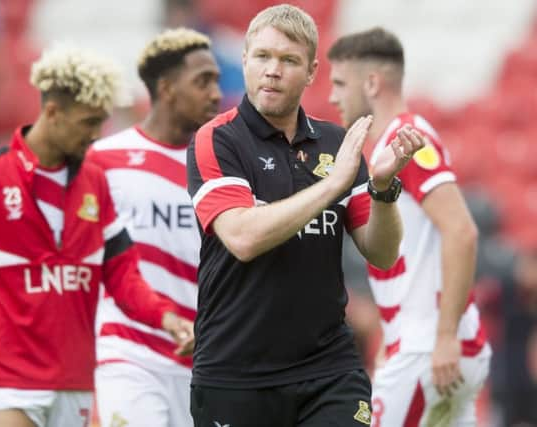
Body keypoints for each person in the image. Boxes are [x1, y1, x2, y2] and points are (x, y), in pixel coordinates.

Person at [186, 5, 425, 427]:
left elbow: (383, 253)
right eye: (262, 56)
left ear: (312, 71)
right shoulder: (218, 140)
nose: (272, 70)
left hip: (328, 370)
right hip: (236, 371)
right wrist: (331, 187)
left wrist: (382, 189)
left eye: (288, 60)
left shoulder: (336, 144)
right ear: (244, 59)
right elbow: (242, 238)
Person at [0, 44, 194, 427]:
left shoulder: (96, 182)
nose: (95, 135)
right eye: (88, 123)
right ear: (53, 113)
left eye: (101, 123)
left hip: (75, 386)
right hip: (7, 385)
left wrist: (166, 317)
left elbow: (123, 277)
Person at [328, 27, 491, 426]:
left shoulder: (406, 143)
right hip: (424, 342)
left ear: (371, 83)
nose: (332, 96)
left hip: (429, 348)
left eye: (339, 83)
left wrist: (444, 336)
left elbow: (461, 230)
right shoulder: (392, 143)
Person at [86, 28, 221, 427]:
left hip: (205, 356)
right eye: (202, 81)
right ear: (166, 88)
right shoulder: (103, 160)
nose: (216, 93)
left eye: (216, 80)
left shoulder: (224, 166)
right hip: (127, 350)